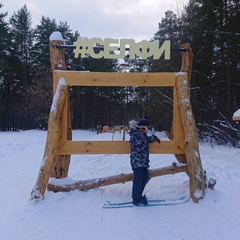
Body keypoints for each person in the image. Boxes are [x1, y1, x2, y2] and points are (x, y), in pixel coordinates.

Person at [129, 116, 161, 206]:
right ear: (142, 127)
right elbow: (139, 142)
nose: (148, 129)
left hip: (143, 162)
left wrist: (154, 138)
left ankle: (138, 195)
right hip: (137, 162)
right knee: (138, 180)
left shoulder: (143, 135)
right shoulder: (135, 135)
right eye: (147, 127)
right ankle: (136, 198)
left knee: (146, 177)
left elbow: (146, 140)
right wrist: (141, 132)